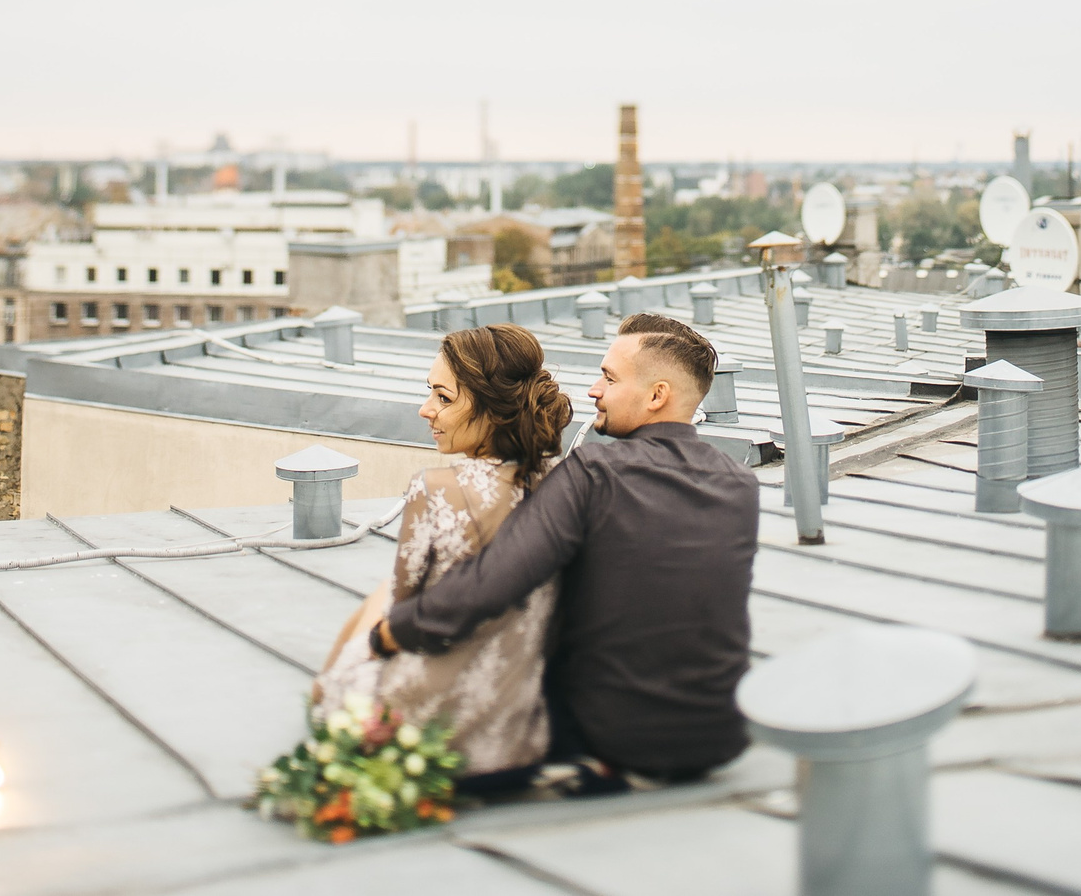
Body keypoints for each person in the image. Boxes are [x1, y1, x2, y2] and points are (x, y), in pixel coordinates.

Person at [374, 314, 758, 784]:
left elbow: (491, 583)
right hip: (720, 736)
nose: (594, 389)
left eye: (609, 378)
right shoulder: (740, 483)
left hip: (611, 736)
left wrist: (390, 633)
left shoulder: (596, 470)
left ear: (657, 396)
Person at [313, 322, 570, 778]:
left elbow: (401, 608)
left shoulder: (436, 490)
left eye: (443, 398)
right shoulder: (568, 484)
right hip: (516, 729)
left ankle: (326, 686)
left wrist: (342, 665)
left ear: (494, 409)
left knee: (370, 624)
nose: (425, 410)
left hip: (426, 727)